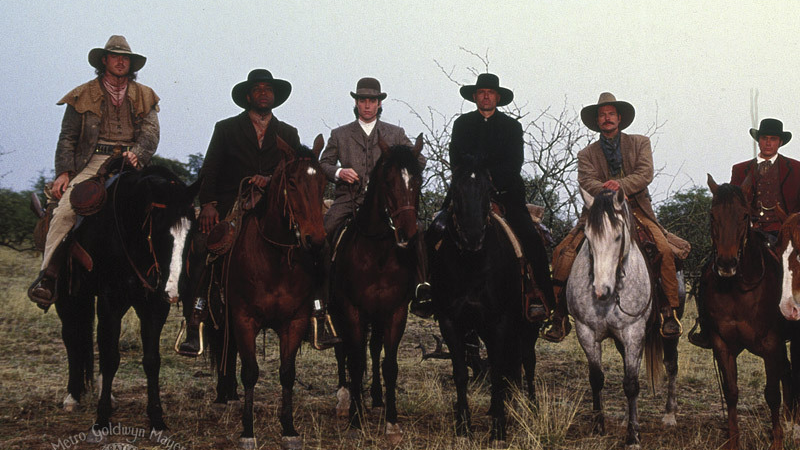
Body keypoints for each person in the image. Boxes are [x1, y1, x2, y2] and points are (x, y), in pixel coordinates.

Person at [176, 69, 337, 356]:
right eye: (258, 89)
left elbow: (293, 168)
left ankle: (318, 314)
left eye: (268, 89)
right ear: (248, 96)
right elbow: (210, 169)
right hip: (232, 200)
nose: (264, 93)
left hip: (275, 202)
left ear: (274, 97)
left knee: (317, 245)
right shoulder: (225, 128)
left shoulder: (288, 132)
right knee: (203, 244)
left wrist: (271, 179)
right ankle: (196, 316)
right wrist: (209, 204)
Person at [547, 93, 690, 342]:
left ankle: (668, 310)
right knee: (563, 251)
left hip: (636, 210)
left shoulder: (640, 143)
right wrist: (606, 191)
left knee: (664, 250)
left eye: (611, 114)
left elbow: (645, 173)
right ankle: (558, 315)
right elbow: (586, 180)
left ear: (619, 118)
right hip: (598, 211)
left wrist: (620, 185)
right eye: (602, 115)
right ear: (597, 121)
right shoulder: (586, 154)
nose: (607, 118)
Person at [28, 35, 160, 307]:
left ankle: (170, 281)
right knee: (65, 209)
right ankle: (48, 276)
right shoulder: (82, 94)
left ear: (132, 64)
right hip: (93, 161)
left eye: (126, 58)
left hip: (131, 160)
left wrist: (138, 154)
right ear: (105, 60)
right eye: (115, 56)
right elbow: (67, 137)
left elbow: (151, 132)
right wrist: (64, 172)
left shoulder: (145, 95)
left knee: (166, 206)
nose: (121, 61)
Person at [689, 117, 800, 348]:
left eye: (773, 139)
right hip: (750, 233)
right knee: (708, 268)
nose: (768, 143)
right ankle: (707, 327)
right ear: (759, 141)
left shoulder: (795, 168)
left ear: (780, 142)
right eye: (764, 139)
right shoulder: (740, 170)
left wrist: (790, 223)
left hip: (783, 234)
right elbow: (730, 206)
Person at [444, 72, 554, 322]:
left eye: (490, 92)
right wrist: (471, 181)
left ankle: (542, 297)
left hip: (505, 194)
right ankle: (430, 291)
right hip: (467, 193)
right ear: (475, 97)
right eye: (481, 92)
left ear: (497, 97)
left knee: (530, 236)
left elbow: (514, 162)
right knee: (437, 229)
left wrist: (489, 180)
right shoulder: (462, 124)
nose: (485, 96)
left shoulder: (511, 127)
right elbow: (456, 160)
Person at [319, 77, 431, 315]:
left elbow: (418, 160)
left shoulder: (395, 132)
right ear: (357, 103)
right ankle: (321, 296)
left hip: (388, 204)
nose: (367, 105)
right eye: (363, 100)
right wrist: (340, 172)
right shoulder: (339, 134)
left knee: (417, 230)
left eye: (372, 100)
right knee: (325, 230)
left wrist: (402, 159)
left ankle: (422, 286)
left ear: (379, 104)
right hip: (350, 199)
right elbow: (324, 163)